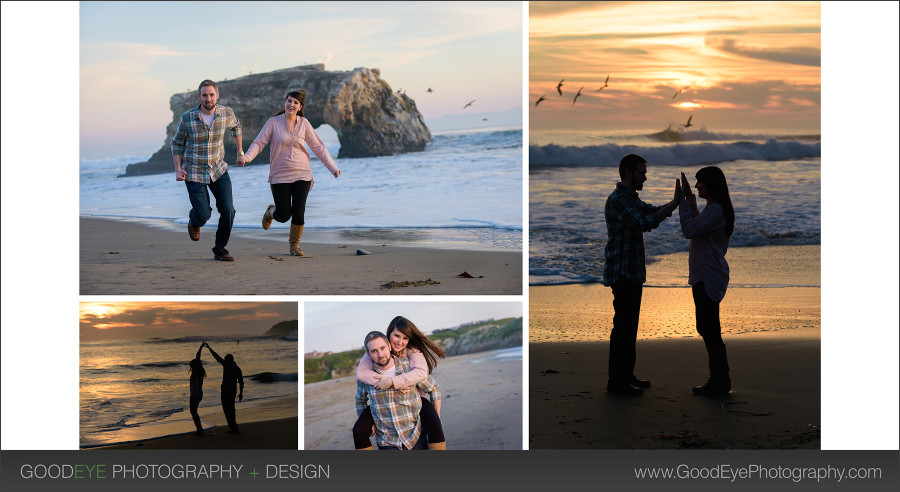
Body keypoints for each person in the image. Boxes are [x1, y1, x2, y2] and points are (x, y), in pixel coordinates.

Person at [603, 154, 682, 395]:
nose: (645, 177)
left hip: (633, 271)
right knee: (623, 329)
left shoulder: (631, 198)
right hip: (623, 271)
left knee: (630, 327)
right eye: (641, 173)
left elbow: (651, 212)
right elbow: (641, 222)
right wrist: (674, 203)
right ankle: (616, 382)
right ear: (628, 173)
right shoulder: (618, 200)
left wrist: (674, 203)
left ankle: (627, 375)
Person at [243, 90, 341, 256]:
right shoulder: (273, 123)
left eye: (296, 103)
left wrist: (332, 167)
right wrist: (246, 158)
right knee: (283, 215)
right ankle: (270, 212)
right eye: (289, 101)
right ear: (285, 103)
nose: (292, 105)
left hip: (302, 174)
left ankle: (294, 246)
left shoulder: (304, 124)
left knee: (299, 210)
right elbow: (259, 143)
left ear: (300, 107)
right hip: (279, 175)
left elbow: (318, 147)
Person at [172, 79, 246, 262]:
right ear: (199, 97)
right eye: (204, 95)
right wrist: (178, 169)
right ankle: (194, 220)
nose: (208, 98)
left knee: (228, 210)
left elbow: (236, 127)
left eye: (211, 94)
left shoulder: (226, 113)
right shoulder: (187, 118)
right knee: (204, 214)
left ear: (217, 95)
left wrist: (240, 152)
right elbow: (176, 143)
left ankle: (220, 250)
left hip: (218, 169)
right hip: (194, 171)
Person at [679, 167, 735, 395]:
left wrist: (683, 202)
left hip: (709, 276)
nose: (696, 186)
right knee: (707, 327)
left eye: (699, 183)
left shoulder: (717, 210)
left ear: (710, 184)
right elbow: (697, 224)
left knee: (710, 328)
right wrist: (690, 201)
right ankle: (719, 379)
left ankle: (720, 380)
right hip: (705, 275)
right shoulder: (712, 209)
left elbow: (690, 230)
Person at [353, 316, 446, 450]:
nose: (400, 342)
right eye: (397, 336)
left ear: (388, 347)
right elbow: (360, 379)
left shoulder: (411, 356)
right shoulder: (368, 367)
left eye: (405, 338)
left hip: (414, 419)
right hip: (387, 440)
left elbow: (423, 375)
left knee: (434, 422)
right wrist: (378, 380)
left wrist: (391, 382)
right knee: (359, 430)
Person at [204, 342, 244, 432]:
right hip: (233, 391)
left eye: (226, 359)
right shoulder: (238, 369)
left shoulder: (226, 364)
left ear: (227, 359)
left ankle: (232, 427)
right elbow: (241, 382)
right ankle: (234, 426)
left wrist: (209, 348)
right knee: (232, 408)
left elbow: (216, 357)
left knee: (226, 409)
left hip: (226, 390)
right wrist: (241, 393)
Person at [188, 342, 206, 435]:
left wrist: (196, 397)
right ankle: (199, 429)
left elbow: (198, 387)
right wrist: (201, 347)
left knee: (193, 412)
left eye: (191, 367)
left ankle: (199, 429)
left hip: (196, 395)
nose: (190, 369)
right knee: (193, 412)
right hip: (195, 394)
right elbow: (198, 356)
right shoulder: (198, 370)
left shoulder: (198, 375)